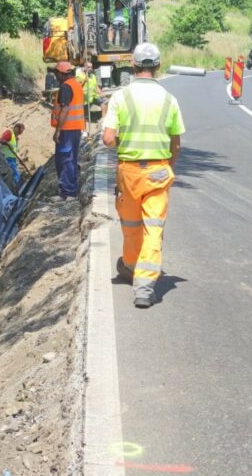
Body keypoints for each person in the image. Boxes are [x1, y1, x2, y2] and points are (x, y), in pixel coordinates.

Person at [102, 43, 185, 308]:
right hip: (159, 169)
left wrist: (126, 144)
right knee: (153, 228)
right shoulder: (169, 99)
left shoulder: (120, 97)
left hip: (129, 171)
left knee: (130, 224)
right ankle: (145, 286)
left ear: (134, 66)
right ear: (158, 67)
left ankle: (129, 265)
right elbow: (176, 143)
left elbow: (107, 139)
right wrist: (167, 164)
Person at [51, 61, 85, 201]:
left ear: (61, 74)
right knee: (71, 159)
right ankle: (71, 189)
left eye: (57, 74)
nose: (56, 76)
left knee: (65, 160)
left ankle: (67, 192)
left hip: (67, 130)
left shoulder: (65, 87)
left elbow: (65, 109)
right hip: (75, 128)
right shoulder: (76, 84)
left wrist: (58, 131)